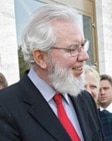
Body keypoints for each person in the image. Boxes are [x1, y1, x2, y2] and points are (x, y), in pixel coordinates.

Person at [0, 4, 104, 141]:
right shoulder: (5, 106)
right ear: (41, 57)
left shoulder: (85, 99)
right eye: (73, 49)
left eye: (83, 46)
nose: (85, 56)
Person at [84, 65, 112, 141]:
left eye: (93, 87)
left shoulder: (109, 119)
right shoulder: (68, 120)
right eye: (83, 86)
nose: (88, 91)